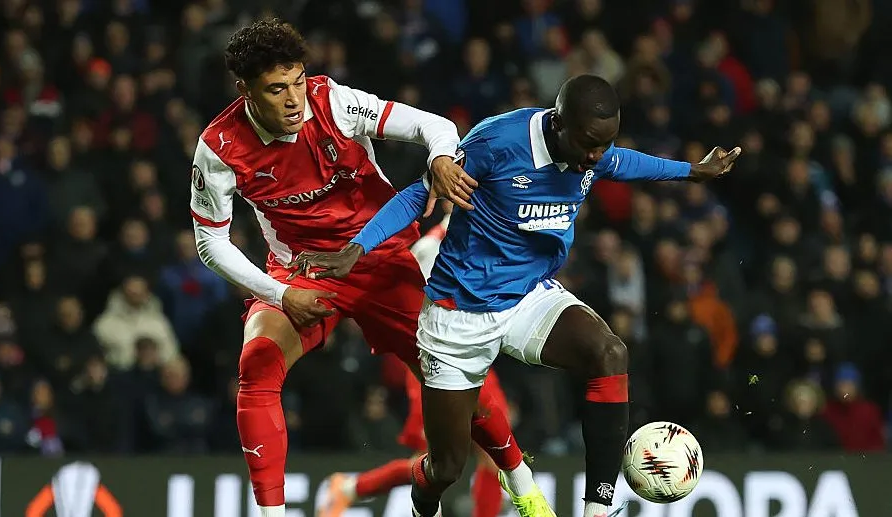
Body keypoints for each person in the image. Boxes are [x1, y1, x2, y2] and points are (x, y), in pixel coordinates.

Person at [289, 74, 741, 517]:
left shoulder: (591, 151)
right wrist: (356, 250)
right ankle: (423, 504)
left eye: (604, 144)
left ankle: (598, 509)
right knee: (446, 466)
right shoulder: (498, 144)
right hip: (457, 317)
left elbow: (624, 162)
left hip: (528, 295)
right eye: (589, 144)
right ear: (558, 124)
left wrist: (692, 172)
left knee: (608, 353)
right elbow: (418, 195)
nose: (595, 156)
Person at [190, 18, 547, 517]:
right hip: (302, 270)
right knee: (256, 366)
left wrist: (443, 157)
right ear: (244, 91)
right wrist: (277, 293)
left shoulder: (334, 102)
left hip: (377, 259)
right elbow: (210, 242)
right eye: (276, 89)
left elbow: (434, 126)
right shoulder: (219, 148)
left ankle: (520, 479)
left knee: (456, 372)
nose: (295, 99)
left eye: (297, 81)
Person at [319, 204, 506, 517]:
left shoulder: (488, 235)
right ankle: (352, 488)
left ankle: (351, 489)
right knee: (434, 460)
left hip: (473, 357)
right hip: (431, 361)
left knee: (494, 447)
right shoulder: (430, 248)